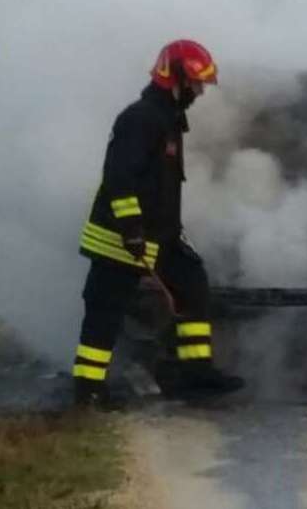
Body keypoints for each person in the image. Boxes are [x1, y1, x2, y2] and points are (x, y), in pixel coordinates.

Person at [72, 39, 245, 409]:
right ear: (176, 77)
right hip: (119, 237)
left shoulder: (167, 120)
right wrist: (131, 228)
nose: (199, 92)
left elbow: (161, 187)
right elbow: (120, 178)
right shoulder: (140, 118)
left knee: (192, 281)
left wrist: (170, 231)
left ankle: (196, 372)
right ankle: (88, 390)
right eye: (196, 84)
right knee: (105, 310)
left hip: (158, 236)